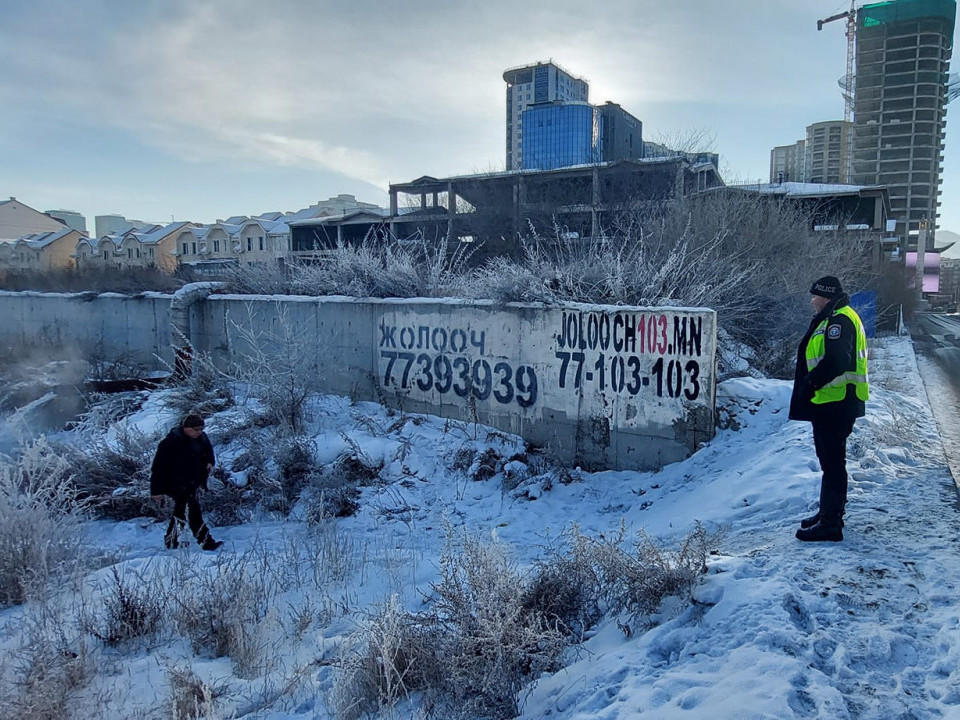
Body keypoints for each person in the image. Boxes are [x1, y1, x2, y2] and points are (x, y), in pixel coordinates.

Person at [789, 276, 869, 542]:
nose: (812, 301)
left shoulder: (839, 321)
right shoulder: (836, 316)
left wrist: (811, 383)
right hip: (831, 402)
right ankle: (827, 513)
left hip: (835, 403)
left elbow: (836, 361)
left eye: (815, 297)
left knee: (833, 465)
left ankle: (831, 525)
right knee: (830, 463)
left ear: (826, 297)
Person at [150, 413, 223, 550]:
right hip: (176, 484)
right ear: (186, 428)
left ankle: (171, 541)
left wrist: (209, 462)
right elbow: (158, 468)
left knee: (181, 513)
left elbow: (209, 452)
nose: (199, 432)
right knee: (193, 513)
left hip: (193, 483)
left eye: (201, 429)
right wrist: (156, 491)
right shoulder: (169, 443)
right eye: (196, 429)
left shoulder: (202, 438)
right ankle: (207, 543)